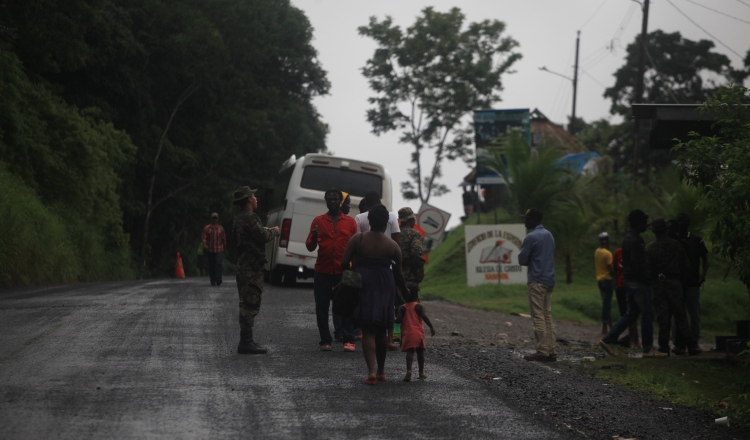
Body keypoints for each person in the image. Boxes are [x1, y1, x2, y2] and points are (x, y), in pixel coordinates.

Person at [341, 205, 409, 385]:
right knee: (381, 330)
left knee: (368, 330)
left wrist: (354, 274)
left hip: (364, 282)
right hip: (385, 284)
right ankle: (381, 372)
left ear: (369, 221)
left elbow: (343, 262)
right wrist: (406, 292)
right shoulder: (393, 245)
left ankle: (370, 372)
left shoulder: (358, 239)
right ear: (387, 222)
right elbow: (399, 274)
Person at [600, 210, 666, 358]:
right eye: (643, 222)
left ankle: (608, 340)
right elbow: (638, 265)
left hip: (630, 282)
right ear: (637, 223)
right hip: (639, 283)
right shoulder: (635, 240)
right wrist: (649, 278)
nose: (645, 225)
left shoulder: (628, 239)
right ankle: (648, 349)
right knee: (647, 314)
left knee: (631, 314)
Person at [305, 189, 358, 352]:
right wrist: (314, 238)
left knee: (347, 306)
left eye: (335, 199)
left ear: (339, 202)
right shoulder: (318, 221)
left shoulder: (350, 222)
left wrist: (355, 269)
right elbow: (309, 247)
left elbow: (355, 247)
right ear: (326, 201)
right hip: (323, 270)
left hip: (345, 271)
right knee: (322, 306)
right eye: (329, 199)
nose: (332, 202)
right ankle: (325, 340)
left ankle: (349, 339)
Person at [232, 186, 280, 355]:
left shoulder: (239, 218)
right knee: (250, 304)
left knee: (246, 302)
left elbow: (251, 235)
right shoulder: (251, 217)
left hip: (244, 265)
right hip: (251, 268)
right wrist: (274, 231)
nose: (256, 198)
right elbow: (262, 236)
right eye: (253, 196)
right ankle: (246, 342)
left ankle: (247, 340)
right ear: (248, 200)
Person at [646, 218, 695, 355]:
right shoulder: (676, 245)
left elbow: (648, 271)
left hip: (658, 284)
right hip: (675, 282)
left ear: (654, 232)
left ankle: (664, 346)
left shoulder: (650, 248)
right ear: (666, 230)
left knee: (663, 317)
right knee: (680, 315)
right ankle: (690, 345)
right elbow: (686, 265)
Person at [518, 208, 557, 362]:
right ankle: (551, 349)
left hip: (537, 280)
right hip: (549, 280)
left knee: (538, 316)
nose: (525, 222)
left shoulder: (531, 237)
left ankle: (542, 351)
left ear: (534, 220)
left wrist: (531, 260)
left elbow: (522, 260)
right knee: (547, 315)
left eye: (527, 219)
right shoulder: (549, 235)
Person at [675, 213, 709, 353]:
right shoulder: (673, 240)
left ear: (689, 224)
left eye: (685, 221)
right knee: (677, 314)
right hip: (677, 283)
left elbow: (705, 259)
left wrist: (703, 275)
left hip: (693, 282)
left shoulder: (696, 240)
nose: (682, 224)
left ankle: (694, 341)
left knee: (694, 314)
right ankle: (679, 343)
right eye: (680, 221)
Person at [395, 283, 435, 382]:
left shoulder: (402, 308)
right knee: (420, 353)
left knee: (410, 352)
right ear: (416, 294)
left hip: (407, 334)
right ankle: (421, 372)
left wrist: (391, 319)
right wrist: (431, 327)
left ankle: (409, 371)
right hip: (419, 333)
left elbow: (399, 320)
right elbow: (424, 317)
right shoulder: (419, 307)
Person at [612, 247, 640, 348]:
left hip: (633, 286)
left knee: (633, 313)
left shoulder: (636, 252)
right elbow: (614, 268)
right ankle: (633, 339)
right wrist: (616, 283)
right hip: (621, 286)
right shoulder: (618, 252)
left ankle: (635, 339)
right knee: (625, 313)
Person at [595, 232, 614, 335]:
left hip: (600, 280)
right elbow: (610, 269)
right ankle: (604, 327)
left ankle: (610, 326)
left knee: (606, 303)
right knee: (607, 304)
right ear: (608, 242)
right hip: (608, 280)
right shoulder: (608, 253)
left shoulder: (597, 251)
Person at [202, 212, 227, 286]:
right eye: (213, 218)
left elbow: (224, 239)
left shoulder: (221, 228)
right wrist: (205, 245)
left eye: (216, 218)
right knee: (211, 265)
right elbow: (204, 238)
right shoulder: (207, 228)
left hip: (219, 249)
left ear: (218, 219)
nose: (214, 219)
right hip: (210, 249)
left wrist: (225, 249)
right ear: (211, 219)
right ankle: (212, 280)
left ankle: (218, 279)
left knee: (218, 263)